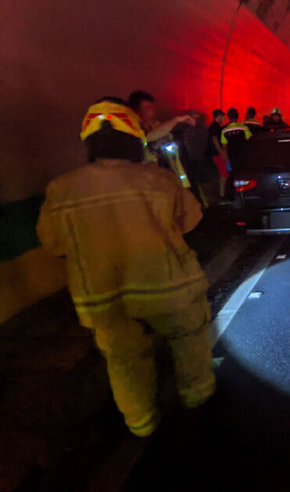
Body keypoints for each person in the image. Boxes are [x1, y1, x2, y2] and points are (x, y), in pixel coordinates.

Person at [36, 98, 214, 438]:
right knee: (188, 335)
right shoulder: (157, 180)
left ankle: (141, 423)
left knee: (123, 358)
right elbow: (190, 220)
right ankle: (197, 401)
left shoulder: (61, 189)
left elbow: (53, 244)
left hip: (103, 297)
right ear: (135, 139)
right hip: (167, 287)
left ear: (88, 142)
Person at [220, 108, 252, 172]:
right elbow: (250, 142)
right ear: (237, 116)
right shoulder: (244, 128)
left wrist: (227, 161)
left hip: (232, 159)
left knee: (234, 177)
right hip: (244, 157)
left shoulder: (224, 131)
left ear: (228, 117)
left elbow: (224, 147)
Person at [207, 109, 229, 199]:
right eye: (223, 116)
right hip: (217, 154)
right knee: (223, 174)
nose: (224, 118)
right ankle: (222, 195)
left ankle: (222, 194)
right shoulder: (214, 127)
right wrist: (222, 153)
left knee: (223, 174)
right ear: (218, 116)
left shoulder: (216, 127)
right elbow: (215, 141)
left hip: (217, 153)